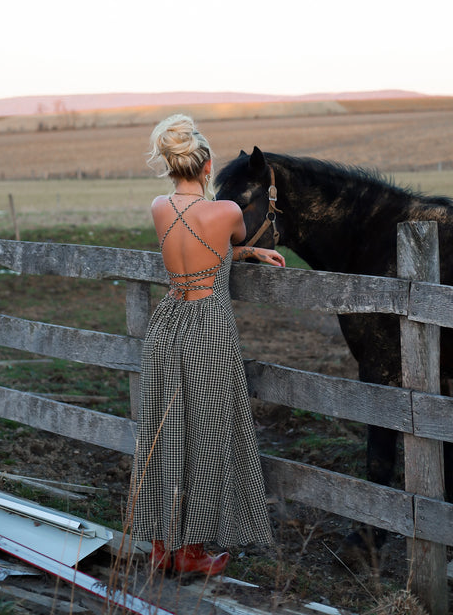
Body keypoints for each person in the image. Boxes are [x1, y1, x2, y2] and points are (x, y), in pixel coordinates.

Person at [128, 114, 285, 577]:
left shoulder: (159, 206)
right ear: (207, 165)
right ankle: (192, 552)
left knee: (163, 433)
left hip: (167, 325)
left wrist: (248, 253)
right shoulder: (227, 212)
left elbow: (196, 249)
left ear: (170, 165)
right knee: (208, 433)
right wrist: (250, 246)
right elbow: (220, 239)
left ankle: (161, 548)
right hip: (208, 328)